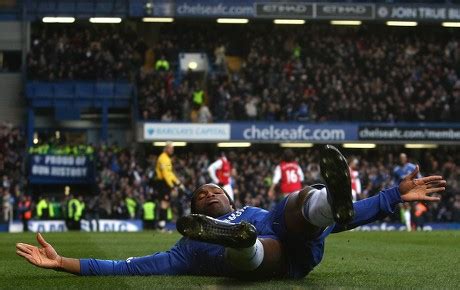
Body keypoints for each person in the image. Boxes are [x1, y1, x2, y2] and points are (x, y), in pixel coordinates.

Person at [15, 145, 446, 280]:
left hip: (290, 232)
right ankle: (244, 244)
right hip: (271, 257)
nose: (206, 192)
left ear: (227, 195)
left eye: (211, 190)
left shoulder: (255, 206)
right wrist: (63, 264)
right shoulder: (186, 245)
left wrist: (392, 196)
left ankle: (325, 200)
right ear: (195, 213)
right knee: (256, 248)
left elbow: (350, 218)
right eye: (199, 195)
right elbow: (126, 266)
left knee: (298, 204)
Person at [155, 142, 183, 230]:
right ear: (166, 148)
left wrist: (177, 182)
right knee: (164, 202)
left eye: (172, 148)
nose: (172, 150)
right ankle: (161, 226)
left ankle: (161, 225)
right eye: (171, 148)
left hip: (165, 182)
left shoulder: (167, 159)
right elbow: (165, 174)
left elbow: (170, 173)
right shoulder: (163, 158)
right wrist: (171, 185)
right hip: (162, 182)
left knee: (166, 202)